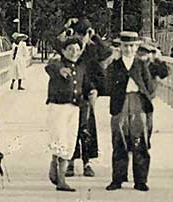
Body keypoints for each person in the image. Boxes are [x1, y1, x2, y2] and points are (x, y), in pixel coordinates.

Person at [53, 18, 108, 177]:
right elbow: (56, 43)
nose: (81, 37)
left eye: (84, 34)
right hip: (70, 94)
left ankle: (87, 162)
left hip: (87, 94)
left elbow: (107, 53)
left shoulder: (92, 50)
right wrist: (66, 27)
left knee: (87, 128)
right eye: (79, 34)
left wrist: (95, 37)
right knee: (70, 128)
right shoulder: (70, 48)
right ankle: (70, 161)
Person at [45, 38, 98, 192]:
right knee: (59, 139)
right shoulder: (58, 63)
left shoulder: (81, 66)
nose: (73, 52)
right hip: (58, 108)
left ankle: (55, 170)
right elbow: (50, 67)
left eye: (76, 49)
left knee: (69, 141)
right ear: (63, 51)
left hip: (74, 108)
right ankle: (61, 179)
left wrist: (92, 90)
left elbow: (86, 83)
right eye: (70, 49)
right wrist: (60, 70)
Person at [104, 32, 154, 192]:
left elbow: (149, 87)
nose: (128, 49)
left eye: (132, 46)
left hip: (138, 103)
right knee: (119, 140)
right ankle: (117, 179)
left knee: (140, 140)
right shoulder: (114, 65)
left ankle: (141, 180)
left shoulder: (141, 65)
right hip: (120, 103)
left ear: (137, 47)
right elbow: (107, 85)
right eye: (125, 46)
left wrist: (143, 96)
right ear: (120, 47)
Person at [137, 38, 169, 148]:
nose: (143, 54)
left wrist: (158, 59)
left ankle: (146, 140)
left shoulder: (154, 65)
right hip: (134, 95)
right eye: (141, 51)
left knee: (148, 120)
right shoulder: (134, 63)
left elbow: (164, 73)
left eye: (146, 52)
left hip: (148, 96)